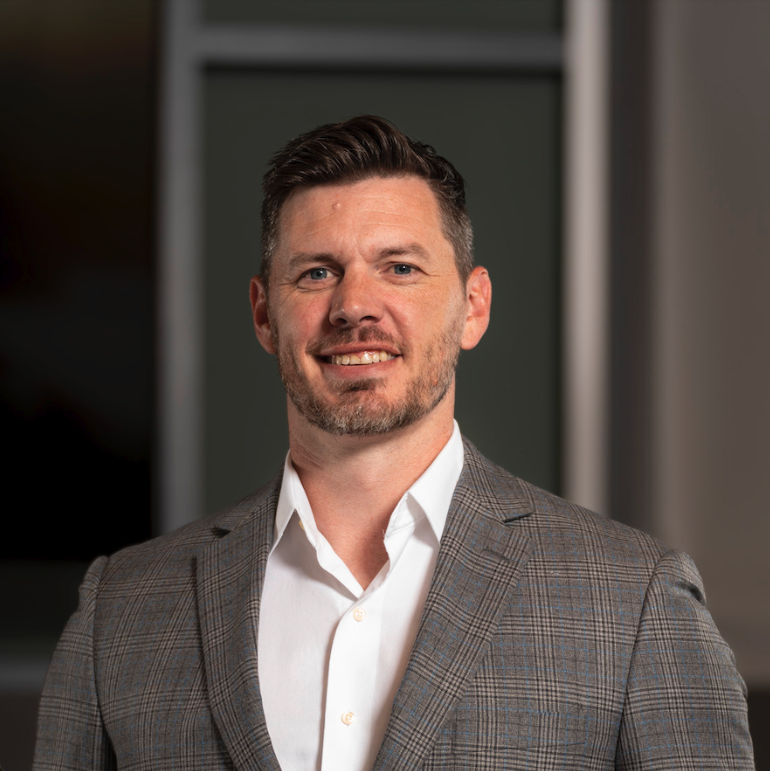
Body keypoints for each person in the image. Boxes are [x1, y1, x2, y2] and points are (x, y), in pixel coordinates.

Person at [34, 115, 753, 770]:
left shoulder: (633, 601)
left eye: (400, 268)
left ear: (473, 307)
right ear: (263, 315)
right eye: (317, 272)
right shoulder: (121, 611)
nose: (353, 306)